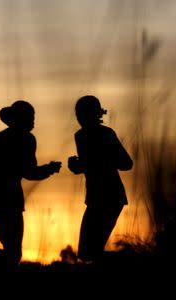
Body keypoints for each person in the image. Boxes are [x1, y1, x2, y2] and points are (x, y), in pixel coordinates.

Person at [0, 100, 61, 268]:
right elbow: (29, 172)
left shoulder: (0, 138)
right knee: (13, 253)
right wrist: (49, 169)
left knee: (9, 251)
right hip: (9, 203)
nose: (33, 121)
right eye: (30, 117)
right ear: (20, 119)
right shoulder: (27, 140)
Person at [68, 95, 133, 263]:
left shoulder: (106, 134)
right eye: (78, 113)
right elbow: (88, 166)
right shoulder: (80, 136)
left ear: (94, 114)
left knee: (91, 250)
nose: (79, 117)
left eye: (82, 113)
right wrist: (76, 166)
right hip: (96, 197)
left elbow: (127, 163)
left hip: (111, 196)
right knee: (87, 251)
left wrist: (92, 161)